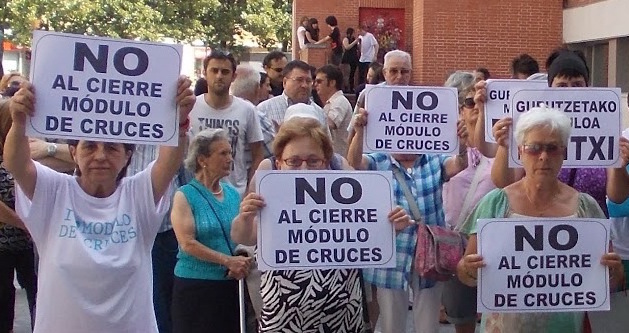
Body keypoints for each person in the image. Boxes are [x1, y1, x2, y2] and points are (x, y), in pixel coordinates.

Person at [4, 77, 194, 333]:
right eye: (89, 146)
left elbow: (168, 162)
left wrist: (179, 121)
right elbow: (17, 164)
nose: (100, 156)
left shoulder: (138, 195)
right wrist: (19, 121)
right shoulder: (53, 191)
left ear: (128, 155)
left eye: (112, 148)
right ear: (73, 152)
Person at [231, 117, 413, 332]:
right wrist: (245, 216)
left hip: (341, 310)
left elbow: (370, 233)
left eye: (313, 160)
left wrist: (392, 225)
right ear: (279, 162)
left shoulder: (347, 188)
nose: (304, 169)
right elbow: (244, 236)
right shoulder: (268, 185)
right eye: (294, 161)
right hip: (285, 311)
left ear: (326, 161)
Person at [457, 106, 624, 333]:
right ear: (521, 151)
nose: (544, 156)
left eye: (552, 148)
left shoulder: (586, 208)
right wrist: (467, 268)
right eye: (534, 148)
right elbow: (467, 275)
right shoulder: (495, 203)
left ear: (564, 152)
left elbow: (610, 279)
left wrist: (613, 271)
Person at [347, 51, 470, 333]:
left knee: (427, 325)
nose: (399, 77)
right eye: (393, 71)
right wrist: (359, 131)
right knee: (392, 324)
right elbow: (355, 165)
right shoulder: (377, 153)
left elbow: (456, 166)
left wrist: (462, 142)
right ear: (384, 73)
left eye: (404, 71)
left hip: (431, 252)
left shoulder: (433, 153)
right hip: (392, 253)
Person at [481, 48, 609, 216]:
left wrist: (620, 163)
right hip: (536, 224)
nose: (569, 92)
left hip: (590, 226)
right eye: (561, 86)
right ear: (550, 89)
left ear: (587, 86)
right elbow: (503, 182)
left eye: (577, 84)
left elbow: (617, 196)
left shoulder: (605, 127)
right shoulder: (534, 127)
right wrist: (504, 146)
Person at [170, 128, 252, 333]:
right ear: (202, 159)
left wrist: (241, 257)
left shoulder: (234, 194)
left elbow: (242, 234)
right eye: (222, 153)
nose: (230, 159)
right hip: (196, 287)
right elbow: (187, 243)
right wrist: (226, 261)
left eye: (230, 153)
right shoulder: (185, 195)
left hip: (230, 285)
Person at [441, 72, 497, 333]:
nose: (475, 106)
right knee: (462, 318)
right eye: (469, 102)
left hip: (498, 243)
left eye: (481, 101)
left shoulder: (502, 146)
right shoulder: (444, 145)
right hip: (459, 242)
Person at [190, 51, 265, 197]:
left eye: (225, 72)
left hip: (235, 193)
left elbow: (258, 155)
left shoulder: (247, 109)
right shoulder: (191, 108)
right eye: (214, 71)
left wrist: (250, 190)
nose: (219, 76)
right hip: (197, 193)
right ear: (204, 73)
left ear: (233, 76)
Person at [0, 99, 37, 333]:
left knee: (37, 296)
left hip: (28, 243)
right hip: (3, 244)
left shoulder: (28, 149)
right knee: (4, 301)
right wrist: (25, 223)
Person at [256, 60, 328, 128]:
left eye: (308, 81)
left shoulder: (319, 113)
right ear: (285, 82)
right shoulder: (264, 110)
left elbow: (326, 140)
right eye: (299, 80)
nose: (304, 85)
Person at [314, 65, 352, 156]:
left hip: (339, 158)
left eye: (319, 81)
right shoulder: (332, 102)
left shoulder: (340, 101)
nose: (315, 84)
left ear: (332, 83)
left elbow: (331, 124)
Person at [341, 28, 360, 92]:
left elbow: (358, 48)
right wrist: (355, 42)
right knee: (347, 73)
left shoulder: (354, 39)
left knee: (352, 74)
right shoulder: (346, 39)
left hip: (354, 58)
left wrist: (358, 43)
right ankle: (346, 87)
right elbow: (347, 47)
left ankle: (352, 88)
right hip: (348, 58)